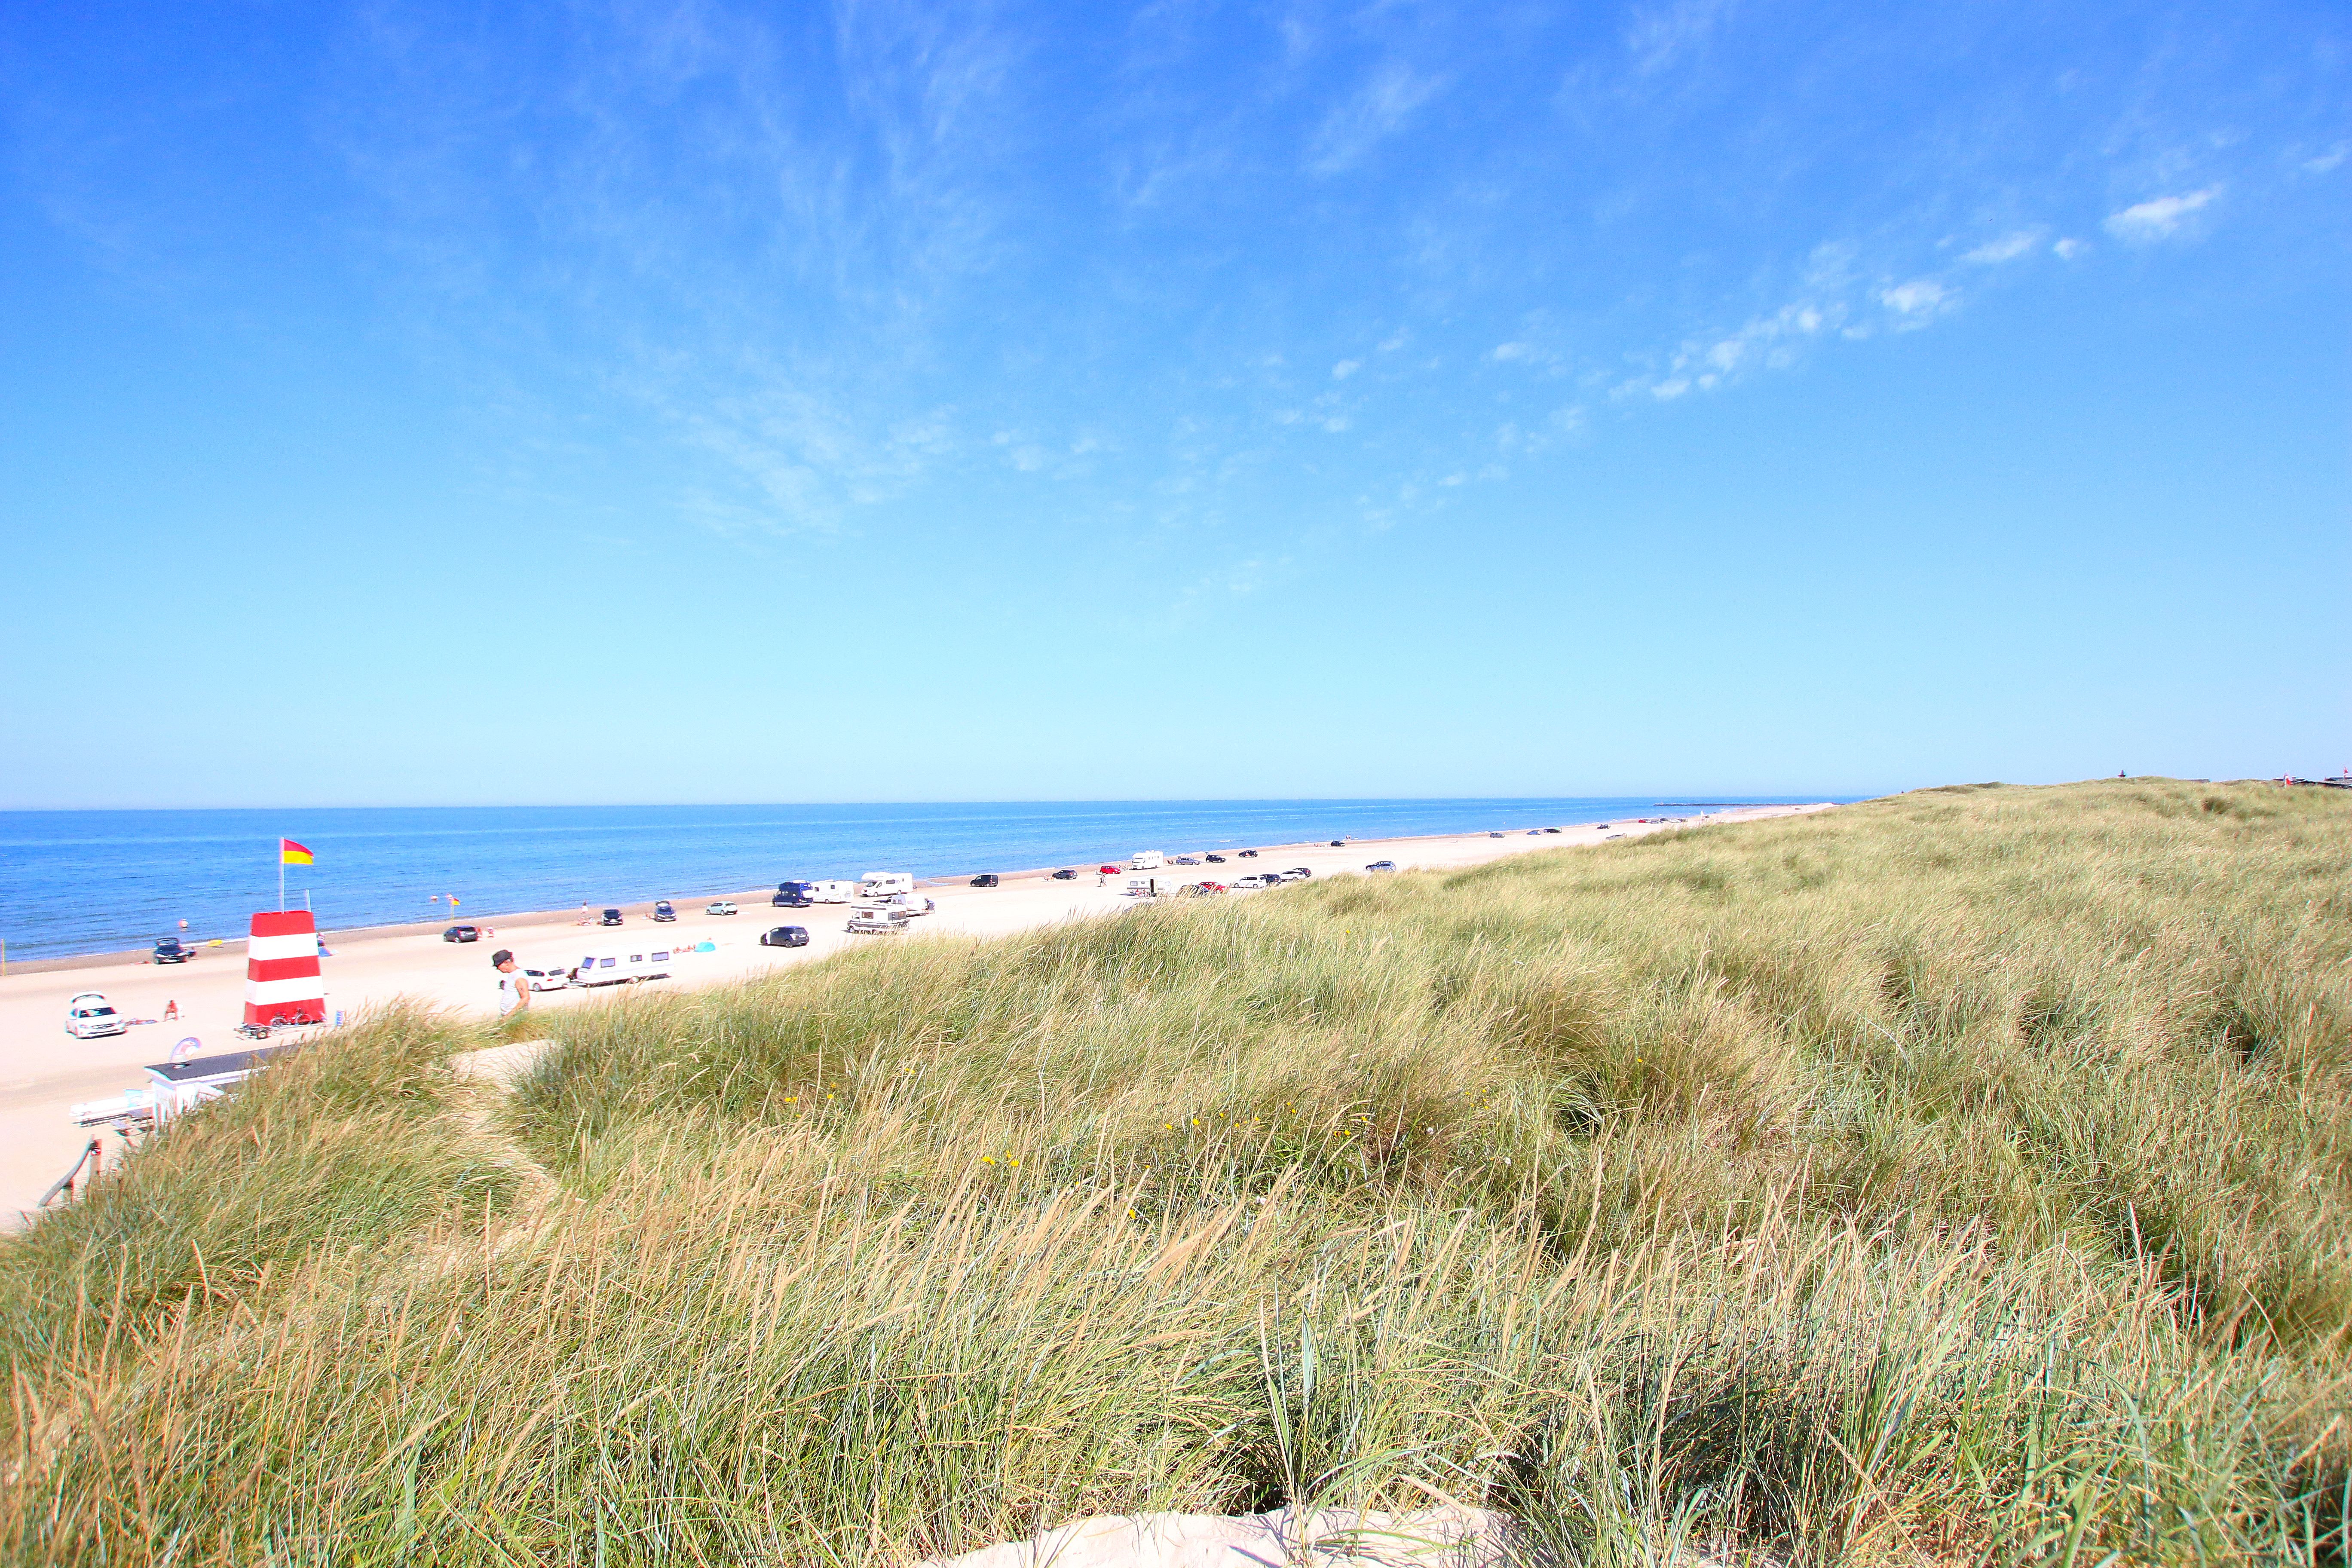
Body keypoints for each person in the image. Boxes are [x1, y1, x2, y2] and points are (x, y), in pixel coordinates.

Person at [492, 949, 530, 1017]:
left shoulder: (519, 976)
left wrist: (509, 1016)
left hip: (515, 1018)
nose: (497, 969)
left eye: (498, 966)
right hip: (509, 1017)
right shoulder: (513, 974)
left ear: (506, 963)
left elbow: (526, 998)